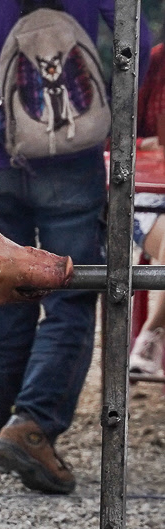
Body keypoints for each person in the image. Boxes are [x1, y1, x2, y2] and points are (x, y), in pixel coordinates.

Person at [0, 1, 150, 494]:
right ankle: (31, 424)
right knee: (71, 290)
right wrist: (108, 108)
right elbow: (137, 34)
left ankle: (16, 425)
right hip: (70, 150)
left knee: (0, 291)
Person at [130, 36, 165, 377]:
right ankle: (150, 337)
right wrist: (148, 144)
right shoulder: (153, 62)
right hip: (150, 193)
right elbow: (115, 135)